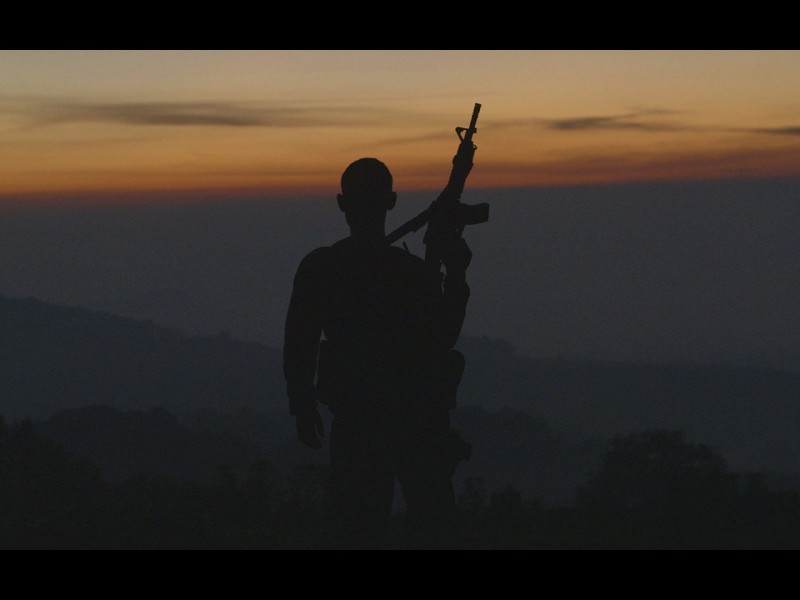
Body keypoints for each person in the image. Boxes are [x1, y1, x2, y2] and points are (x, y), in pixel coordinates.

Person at [283, 157, 472, 548]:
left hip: (364, 423)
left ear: (342, 203)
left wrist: (302, 405)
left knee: (360, 529)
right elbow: (443, 337)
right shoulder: (409, 273)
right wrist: (456, 275)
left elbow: (300, 341)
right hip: (411, 422)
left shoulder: (324, 268)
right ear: (392, 201)